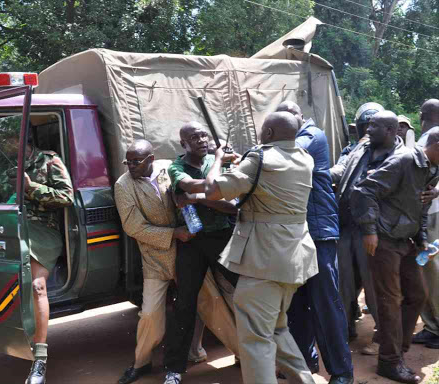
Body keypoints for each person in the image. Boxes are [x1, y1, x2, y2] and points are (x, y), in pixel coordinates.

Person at [205, 111, 317, 384]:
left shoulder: (260, 159)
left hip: (263, 261)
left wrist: (219, 159)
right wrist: (243, 161)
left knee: (256, 340)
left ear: (268, 134)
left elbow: (212, 189)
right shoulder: (304, 157)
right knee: (277, 329)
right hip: (293, 258)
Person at [351, 125, 439, 384]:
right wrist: (369, 230)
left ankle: (397, 351)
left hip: (407, 240)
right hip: (384, 239)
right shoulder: (404, 160)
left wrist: (422, 238)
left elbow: (421, 206)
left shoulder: (431, 169)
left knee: (417, 295)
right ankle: (389, 362)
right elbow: (363, 191)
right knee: (390, 300)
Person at [277, 101, 353, 384]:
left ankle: (342, 371)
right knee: (297, 302)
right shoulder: (285, 141)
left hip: (318, 232)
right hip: (294, 234)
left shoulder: (312, 135)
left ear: (299, 117)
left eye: (289, 118)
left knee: (325, 302)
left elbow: (289, 155)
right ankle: (305, 365)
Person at [0, 129, 74, 384]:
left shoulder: (49, 160)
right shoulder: (5, 165)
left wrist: (32, 188)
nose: (1, 144)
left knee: (38, 286)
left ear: (21, 140)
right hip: (8, 227)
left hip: (41, 231)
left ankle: (40, 359)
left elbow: (67, 197)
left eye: (5, 139)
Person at [162, 122, 239, 384]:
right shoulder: (176, 167)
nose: (202, 140)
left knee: (245, 294)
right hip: (192, 242)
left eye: (204, 135)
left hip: (222, 238)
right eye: (194, 138)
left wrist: (196, 198)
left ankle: (258, 355)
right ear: (183, 143)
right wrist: (208, 193)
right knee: (184, 303)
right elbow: (193, 185)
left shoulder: (221, 161)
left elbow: (231, 205)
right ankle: (174, 369)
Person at [114, 140, 196, 384]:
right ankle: (141, 363)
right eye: (127, 161)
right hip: (155, 258)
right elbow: (133, 227)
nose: (130, 166)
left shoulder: (167, 168)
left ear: (151, 159)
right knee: (149, 314)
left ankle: (240, 353)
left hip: (186, 252)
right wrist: (174, 234)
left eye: (135, 161)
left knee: (210, 304)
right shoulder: (123, 185)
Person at [330, 105, 405, 354]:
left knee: (375, 287)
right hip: (347, 225)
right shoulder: (357, 150)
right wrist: (321, 174)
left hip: (374, 231)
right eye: (365, 127)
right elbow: (342, 170)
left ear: (390, 130)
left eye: (372, 127)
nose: (367, 131)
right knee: (344, 283)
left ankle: (383, 336)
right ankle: (346, 327)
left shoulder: (399, 156)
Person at [413, 99, 439, 348]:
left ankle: (435, 328)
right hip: (430, 216)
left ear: (422, 115)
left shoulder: (428, 141)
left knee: (429, 271)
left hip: (428, 218)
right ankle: (431, 326)